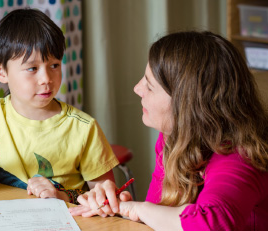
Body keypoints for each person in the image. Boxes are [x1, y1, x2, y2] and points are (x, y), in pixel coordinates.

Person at [69, 31, 268, 230]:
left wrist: (137, 210)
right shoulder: (174, 137)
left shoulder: (242, 157)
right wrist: (119, 207)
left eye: (150, 85)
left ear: (187, 105)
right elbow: (160, 213)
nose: (137, 89)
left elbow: (209, 224)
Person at [0, 8, 119, 204]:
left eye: (54, 65)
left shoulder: (84, 128)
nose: (46, 79)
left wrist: (61, 196)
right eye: (32, 68)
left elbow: (105, 200)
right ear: (1, 72)